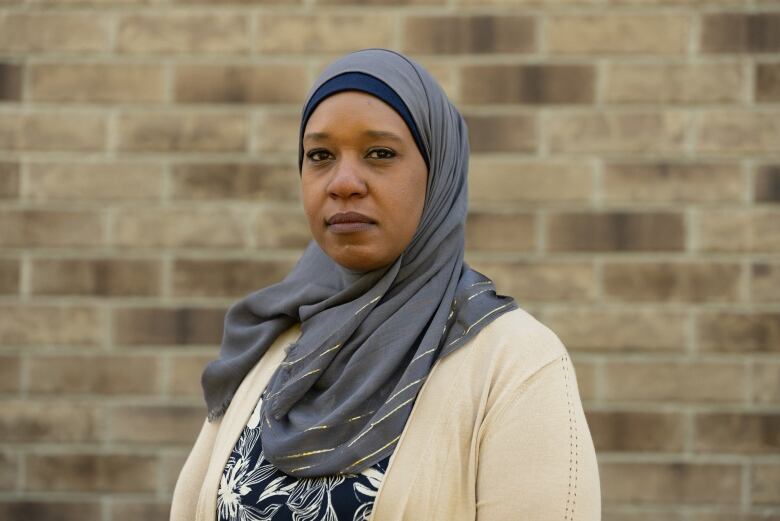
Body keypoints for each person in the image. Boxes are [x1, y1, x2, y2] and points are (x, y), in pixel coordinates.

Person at [170, 48, 600, 521]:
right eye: (320, 155)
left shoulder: (515, 364)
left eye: (380, 153)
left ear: (439, 174)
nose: (344, 182)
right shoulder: (276, 346)